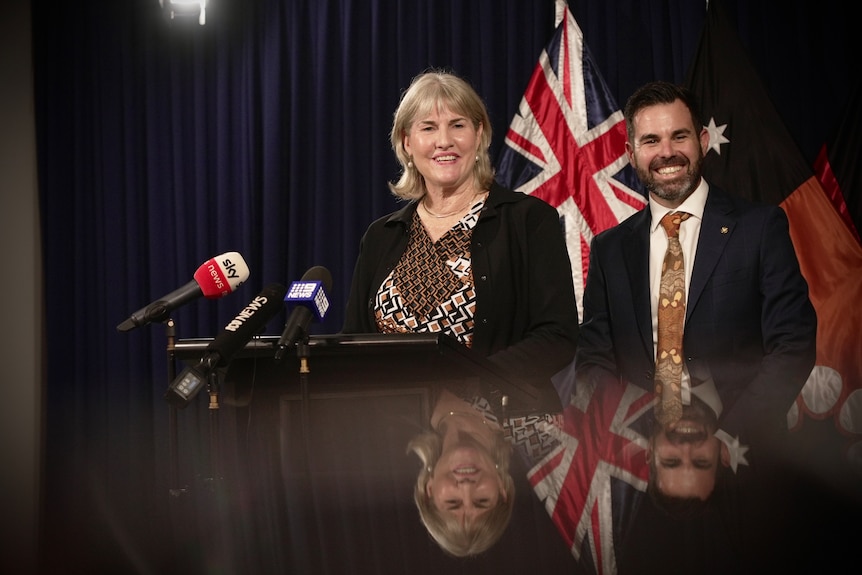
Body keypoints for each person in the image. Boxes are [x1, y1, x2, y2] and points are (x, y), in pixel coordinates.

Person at [342, 68, 579, 555]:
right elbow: (353, 346)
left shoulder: (528, 220)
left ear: (481, 135)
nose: (443, 141)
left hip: (511, 406)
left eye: (458, 125)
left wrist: (475, 387)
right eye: (428, 128)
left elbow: (557, 335)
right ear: (407, 143)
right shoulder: (382, 236)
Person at [574, 80, 816, 455]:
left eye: (679, 136)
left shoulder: (760, 228)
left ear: (702, 141)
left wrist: (730, 439)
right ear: (631, 153)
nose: (666, 152)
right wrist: (629, 433)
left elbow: (793, 344)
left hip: (744, 456)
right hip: (640, 458)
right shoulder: (610, 249)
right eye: (651, 140)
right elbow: (593, 360)